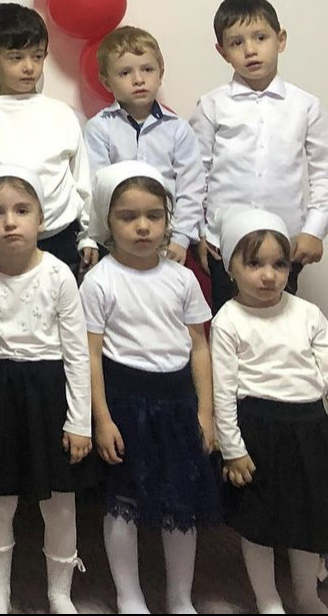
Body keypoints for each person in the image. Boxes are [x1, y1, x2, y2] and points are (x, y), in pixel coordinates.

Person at [82, 162, 219, 615]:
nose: (142, 226)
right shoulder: (100, 281)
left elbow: (199, 347)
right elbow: (90, 355)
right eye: (128, 217)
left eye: (153, 216)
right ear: (108, 221)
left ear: (167, 220)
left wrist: (205, 413)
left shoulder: (183, 278)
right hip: (124, 402)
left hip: (177, 402)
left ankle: (180, 597)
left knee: (180, 500)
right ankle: (129, 595)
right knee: (122, 501)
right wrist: (102, 419)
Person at [0, 164, 91, 616]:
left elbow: (77, 354)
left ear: (41, 219)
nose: (10, 222)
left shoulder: (59, 275)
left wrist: (79, 421)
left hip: (50, 394)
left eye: (21, 210)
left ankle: (60, 592)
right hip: (0, 392)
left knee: (60, 500)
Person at [212, 207, 328, 615]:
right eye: (255, 264)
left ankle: (306, 595)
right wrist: (232, 449)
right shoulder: (228, 320)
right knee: (258, 522)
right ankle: (268, 600)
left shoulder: (308, 313)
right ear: (231, 268)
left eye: (279, 265)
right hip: (257, 430)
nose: (268, 275)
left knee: (308, 518)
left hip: (309, 427)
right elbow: (223, 392)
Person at [190, 0, 328, 312]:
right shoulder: (212, 104)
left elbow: (323, 172)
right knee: (228, 322)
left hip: (285, 245)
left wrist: (314, 230)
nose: (250, 50)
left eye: (260, 38)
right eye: (236, 42)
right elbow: (196, 173)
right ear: (222, 52)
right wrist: (199, 233)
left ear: (281, 40)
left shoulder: (305, 106)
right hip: (224, 245)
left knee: (282, 324)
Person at [0, 3, 95, 276]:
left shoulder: (61, 114)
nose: (29, 67)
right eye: (16, 57)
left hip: (60, 237)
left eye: (37, 56)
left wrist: (88, 235)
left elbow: (81, 179)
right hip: (1, 242)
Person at [84, 26, 205, 263]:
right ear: (106, 82)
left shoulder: (178, 129)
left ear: (161, 73)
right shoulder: (99, 128)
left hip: (169, 240)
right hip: (117, 241)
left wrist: (181, 238)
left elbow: (192, 187)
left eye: (147, 69)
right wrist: (96, 237)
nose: (138, 79)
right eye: (125, 73)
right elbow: (95, 189)